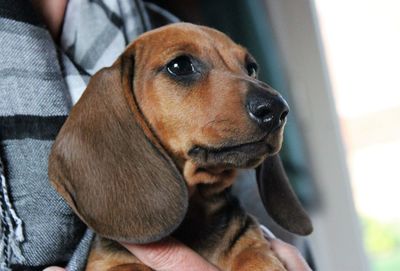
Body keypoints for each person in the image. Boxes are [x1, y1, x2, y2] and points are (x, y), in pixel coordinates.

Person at [0, 0, 311, 270]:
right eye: (181, 66)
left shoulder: (163, 24)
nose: (267, 102)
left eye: (249, 70)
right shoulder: (141, 58)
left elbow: (281, 244)